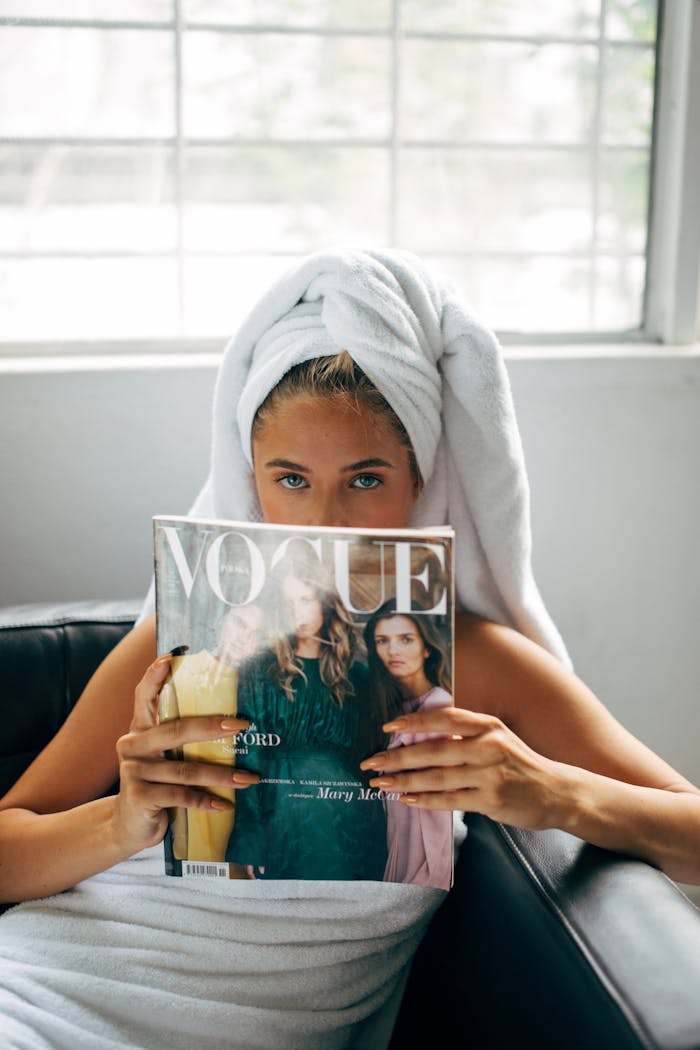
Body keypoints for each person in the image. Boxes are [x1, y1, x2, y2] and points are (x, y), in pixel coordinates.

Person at [0, 249, 699, 1050]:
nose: (323, 521)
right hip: (39, 988)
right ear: (250, 477)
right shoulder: (180, 636)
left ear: (420, 476)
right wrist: (120, 823)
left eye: (365, 479)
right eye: (289, 479)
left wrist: (550, 793)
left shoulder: (480, 664)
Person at [226, 548, 388, 880]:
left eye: (305, 600)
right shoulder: (260, 669)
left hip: (350, 813)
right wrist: (251, 839)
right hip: (283, 807)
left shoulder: (358, 674)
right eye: (288, 604)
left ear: (325, 603)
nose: (297, 613)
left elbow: (372, 756)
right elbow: (249, 754)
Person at [363, 602, 454, 889]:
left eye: (405, 639)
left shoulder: (439, 707)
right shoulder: (393, 708)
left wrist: (421, 880)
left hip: (423, 870)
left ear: (426, 647)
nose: (393, 651)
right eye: (383, 641)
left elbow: (436, 819)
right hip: (397, 856)